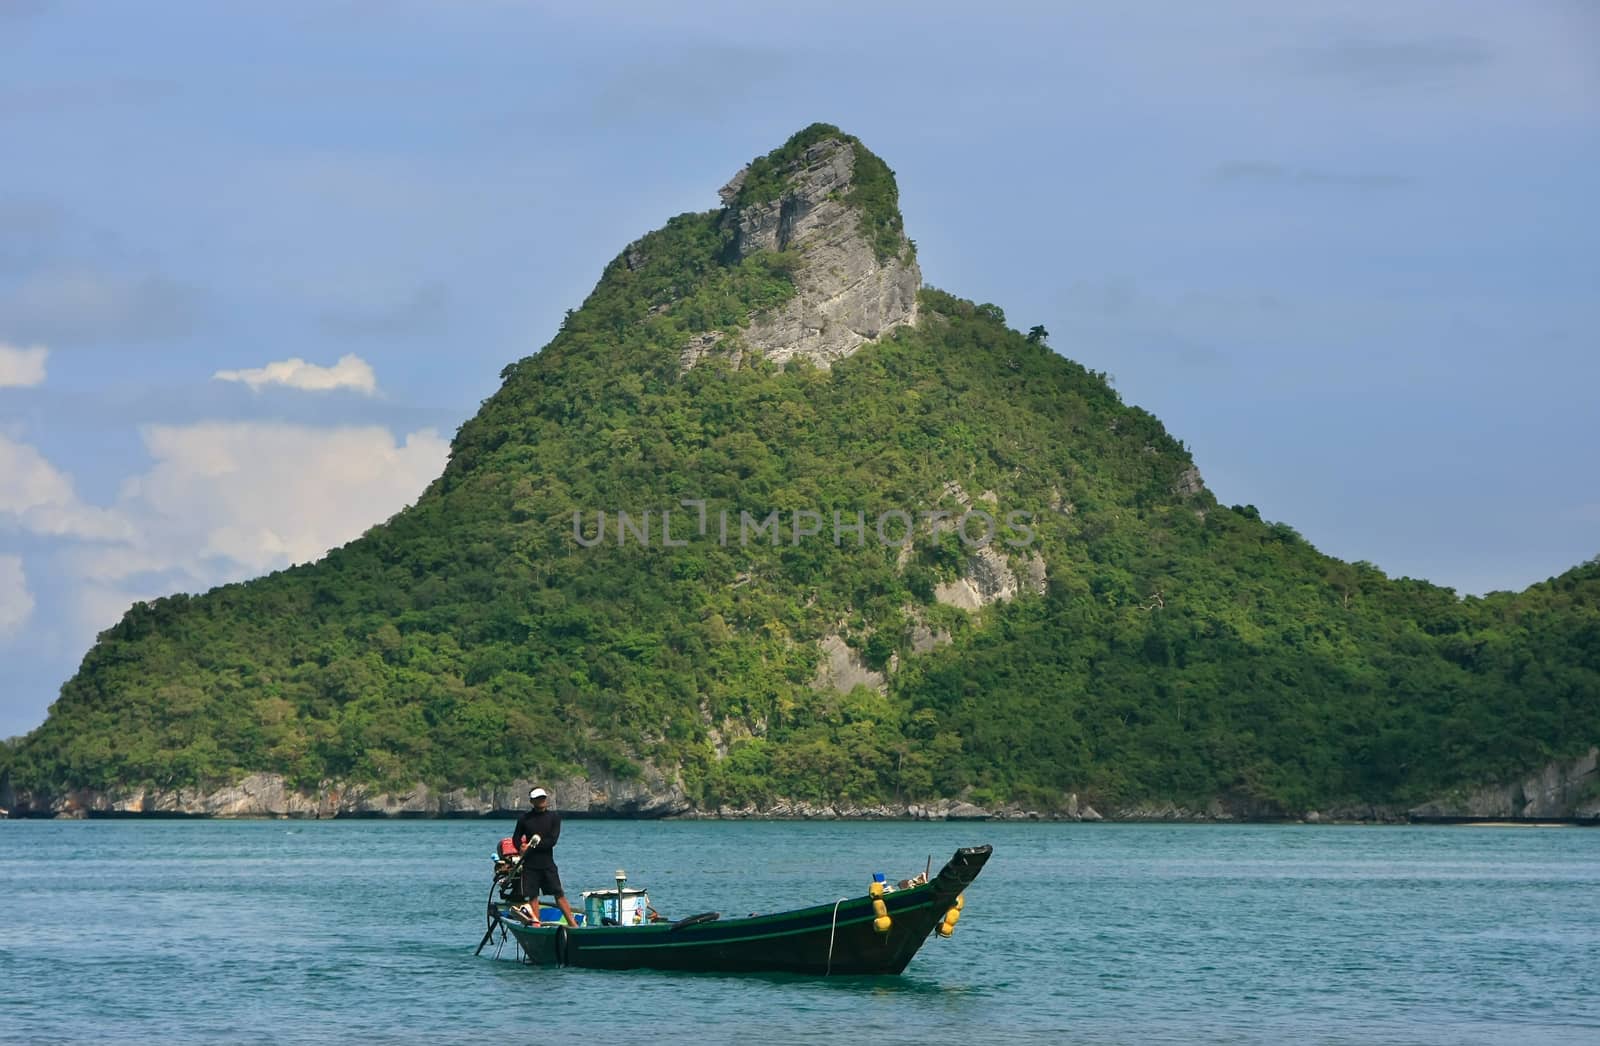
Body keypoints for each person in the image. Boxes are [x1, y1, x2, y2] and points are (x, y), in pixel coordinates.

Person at [512, 787, 578, 926]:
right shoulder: (525, 819)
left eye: (543, 798)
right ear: (531, 801)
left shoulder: (554, 817)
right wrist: (520, 847)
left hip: (547, 863)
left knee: (558, 893)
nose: (541, 801)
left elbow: (551, 841)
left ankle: (573, 924)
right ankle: (537, 924)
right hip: (530, 865)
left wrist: (531, 847)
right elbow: (516, 838)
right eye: (537, 798)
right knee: (533, 896)